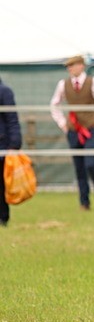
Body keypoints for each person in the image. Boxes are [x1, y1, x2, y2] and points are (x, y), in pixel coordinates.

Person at [50, 55, 94, 211]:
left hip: (89, 130)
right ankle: (84, 203)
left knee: (90, 163)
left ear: (81, 66)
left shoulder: (93, 82)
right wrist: (62, 123)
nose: (70, 69)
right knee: (79, 167)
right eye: (68, 67)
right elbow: (54, 104)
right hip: (73, 130)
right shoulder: (64, 85)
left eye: (73, 65)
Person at [0, 74, 21, 227]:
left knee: (1, 184)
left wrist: (14, 144)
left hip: (2, 145)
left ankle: (3, 217)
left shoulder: (4, 91)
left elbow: (12, 119)